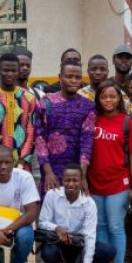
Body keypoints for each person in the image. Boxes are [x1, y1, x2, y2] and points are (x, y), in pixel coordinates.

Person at [85, 81, 132, 263]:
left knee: (116, 226)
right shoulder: (92, 121)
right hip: (94, 183)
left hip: (119, 183)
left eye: (112, 96)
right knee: (99, 225)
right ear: (98, 99)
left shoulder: (128, 122)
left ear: (119, 99)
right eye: (104, 97)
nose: (108, 100)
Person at [36, 165, 115, 263]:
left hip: (79, 246)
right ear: (62, 180)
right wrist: (57, 228)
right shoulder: (52, 195)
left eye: (75, 180)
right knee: (48, 251)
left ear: (81, 181)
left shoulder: (89, 203)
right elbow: (42, 222)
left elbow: (89, 237)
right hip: (58, 242)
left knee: (108, 250)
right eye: (67, 180)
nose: (71, 184)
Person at [34, 61, 95, 194]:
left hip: (75, 173)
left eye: (78, 77)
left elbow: (87, 142)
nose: (73, 80)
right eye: (69, 76)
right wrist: (48, 171)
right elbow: (39, 138)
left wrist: (82, 175)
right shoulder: (46, 103)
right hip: (51, 171)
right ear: (60, 77)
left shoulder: (88, 106)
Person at [0, 52, 38, 171]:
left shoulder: (29, 98)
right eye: (5, 70)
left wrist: (23, 160)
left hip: (22, 164)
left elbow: (31, 132)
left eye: (13, 70)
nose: (9, 74)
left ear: (18, 71)